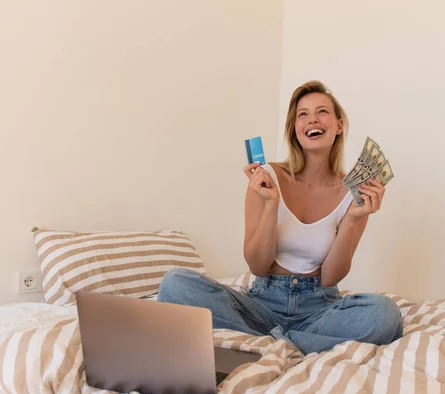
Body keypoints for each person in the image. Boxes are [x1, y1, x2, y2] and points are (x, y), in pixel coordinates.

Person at [158, 80, 403, 354]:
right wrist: (272, 205)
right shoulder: (267, 178)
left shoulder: (354, 194)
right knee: (175, 283)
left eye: (322, 111)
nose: (312, 119)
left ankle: (271, 343)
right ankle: (299, 344)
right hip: (261, 306)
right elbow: (258, 266)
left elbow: (330, 278)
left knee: (385, 314)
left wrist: (355, 218)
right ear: (295, 129)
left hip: (318, 310)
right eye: (303, 114)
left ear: (338, 125)